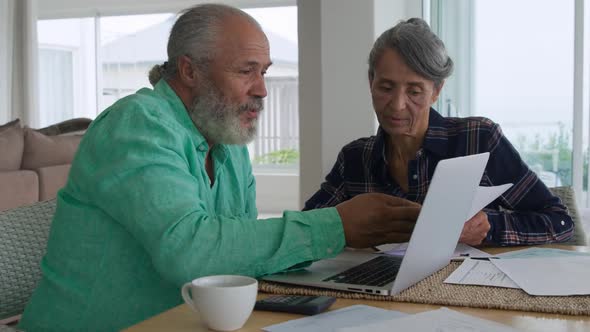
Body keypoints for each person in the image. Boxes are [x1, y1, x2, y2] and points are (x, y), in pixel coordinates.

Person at [19, 4, 420, 331]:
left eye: (263, 72)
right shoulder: (137, 126)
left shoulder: (226, 142)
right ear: (190, 70)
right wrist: (335, 226)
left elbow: (234, 255)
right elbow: (190, 252)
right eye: (246, 70)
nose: (262, 89)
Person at [304, 18, 574, 247]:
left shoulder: (479, 139)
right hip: (376, 294)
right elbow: (304, 230)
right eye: (386, 88)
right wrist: (342, 226)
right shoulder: (354, 158)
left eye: (414, 91)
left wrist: (489, 226)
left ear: (437, 91)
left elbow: (559, 221)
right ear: (370, 81)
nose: (397, 105)